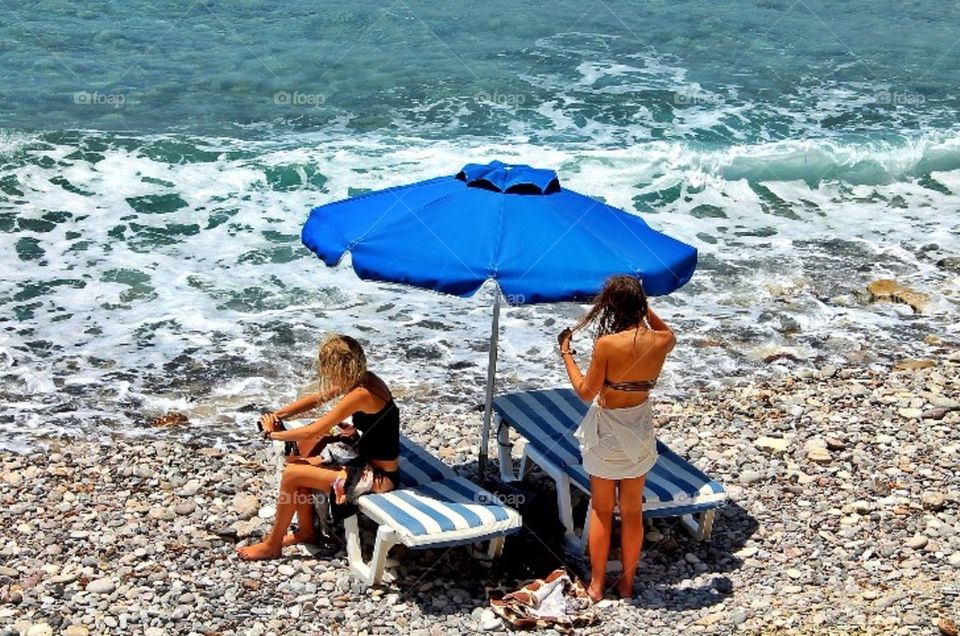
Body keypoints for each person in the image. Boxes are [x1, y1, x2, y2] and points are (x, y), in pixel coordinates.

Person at [557, 275, 676, 601]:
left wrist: (566, 353)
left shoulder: (607, 345)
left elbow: (585, 392)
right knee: (633, 511)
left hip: (608, 430)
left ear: (611, 306)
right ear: (640, 305)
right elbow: (666, 331)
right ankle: (626, 584)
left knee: (601, 510)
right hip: (639, 428)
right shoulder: (662, 341)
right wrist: (644, 306)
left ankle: (596, 586)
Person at [237, 333, 400, 561]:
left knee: (293, 473)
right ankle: (307, 532)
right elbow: (317, 398)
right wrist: (277, 414)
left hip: (379, 478)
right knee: (303, 453)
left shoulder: (361, 394)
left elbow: (312, 429)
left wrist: (273, 433)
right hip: (365, 460)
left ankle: (272, 545)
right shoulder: (364, 379)